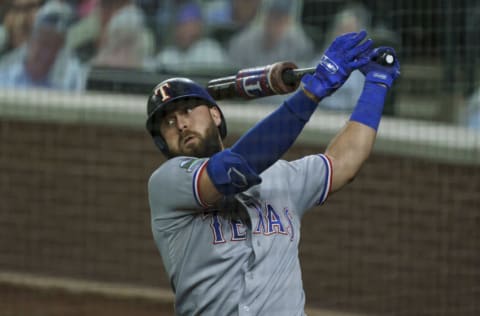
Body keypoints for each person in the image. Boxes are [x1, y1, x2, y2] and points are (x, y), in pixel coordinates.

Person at [146, 30, 400, 315]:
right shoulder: (167, 184)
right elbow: (235, 169)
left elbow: (343, 163)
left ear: (215, 115)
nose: (180, 124)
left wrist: (376, 84)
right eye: (168, 122)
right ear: (162, 142)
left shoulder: (281, 175)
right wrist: (310, 93)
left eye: (188, 110)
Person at [0, 0, 88, 90]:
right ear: (30, 41)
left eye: (50, 46)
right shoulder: (6, 72)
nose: (41, 50)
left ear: (56, 51)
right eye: (41, 41)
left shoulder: (71, 75)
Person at [315, 2, 372, 111]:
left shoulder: (365, 68)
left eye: (350, 30)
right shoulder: (320, 60)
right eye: (341, 29)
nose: (345, 35)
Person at [227, 0, 314, 68]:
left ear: (289, 20)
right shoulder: (243, 42)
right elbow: (232, 74)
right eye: (272, 16)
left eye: (281, 18)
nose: (274, 23)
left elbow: (301, 78)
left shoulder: (300, 44)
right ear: (264, 16)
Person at [152, 1, 229, 73]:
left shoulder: (211, 50)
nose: (184, 30)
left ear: (199, 27)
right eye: (181, 25)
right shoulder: (167, 55)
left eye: (189, 24)